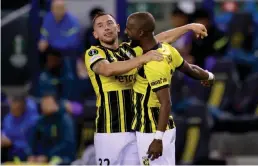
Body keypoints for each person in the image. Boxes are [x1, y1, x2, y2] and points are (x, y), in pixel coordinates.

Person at [85, 12, 208, 165]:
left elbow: (160, 39)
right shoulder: (94, 53)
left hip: (136, 131)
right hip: (109, 131)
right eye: (100, 26)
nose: (106, 28)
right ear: (95, 34)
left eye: (110, 23)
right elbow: (107, 69)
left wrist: (189, 27)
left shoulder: (129, 50)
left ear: (118, 28)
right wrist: (143, 58)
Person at [125, 12, 214, 165]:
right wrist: (208, 76)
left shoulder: (154, 63)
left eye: (129, 29)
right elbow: (190, 69)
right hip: (156, 128)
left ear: (140, 33)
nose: (126, 32)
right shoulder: (166, 50)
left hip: (152, 129)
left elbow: (166, 103)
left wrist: (157, 139)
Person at [27, 94, 76, 165]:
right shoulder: (41, 120)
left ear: (56, 104)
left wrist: (48, 156)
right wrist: (31, 154)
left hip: (64, 157)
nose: (44, 105)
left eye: (48, 103)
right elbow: (32, 140)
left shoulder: (65, 120)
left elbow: (67, 144)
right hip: (43, 158)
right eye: (43, 103)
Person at [1, 95, 39, 161]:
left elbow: (31, 143)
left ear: (23, 107)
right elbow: (4, 130)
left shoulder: (33, 121)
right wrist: (2, 136)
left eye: (17, 108)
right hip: (7, 148)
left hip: (24, 151)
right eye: (12, 108)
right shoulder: (8, 118)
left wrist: (12, 142)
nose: (13, 110)